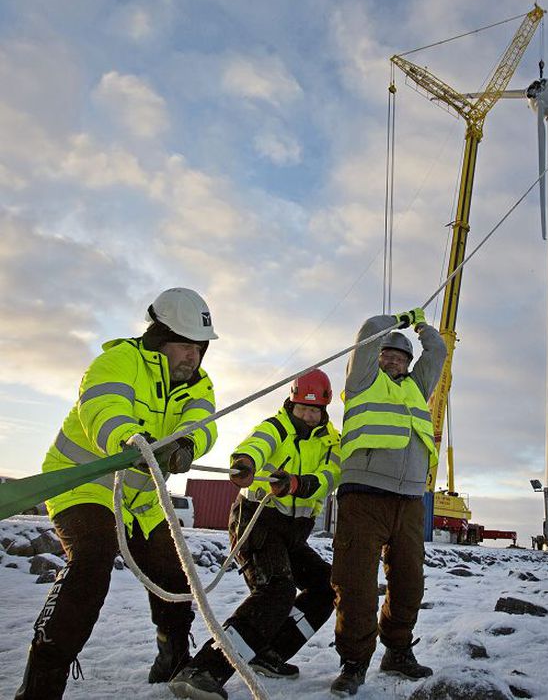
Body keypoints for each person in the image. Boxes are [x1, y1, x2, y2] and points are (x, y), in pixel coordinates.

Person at [15, 287, 220, 700]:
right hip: (82, 486)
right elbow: (102, 407)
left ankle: (172, 659)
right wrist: (129, 439)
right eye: (184, 347)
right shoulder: (118, 361)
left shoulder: (198, 383)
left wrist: (188, 446)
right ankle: (41, 682)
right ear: (160, 339)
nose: (192, 357)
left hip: (140, 502)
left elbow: (204, 420)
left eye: (198, 349)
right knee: (92, 560)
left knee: (173, 574)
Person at [169, 368, 341, 700]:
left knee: (325, 586)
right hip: (258, 524)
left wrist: (299, 483)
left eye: (314, 410)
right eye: (302, 408)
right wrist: (245, 462)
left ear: (324, 410)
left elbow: (330, 475)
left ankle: (268, 652)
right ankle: (202, 670)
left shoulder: (332, 441)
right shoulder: (276, 427)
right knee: (277, 591)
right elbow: (256, 445)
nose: (307, 415)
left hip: (292, 534)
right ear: (291, 404)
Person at [330, 308, 447, 696]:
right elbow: (367, 330)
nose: (394, 358)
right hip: (364, 496)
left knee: (410, 581)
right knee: (357, 583)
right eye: (388, 353)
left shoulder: (418, 387)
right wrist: (400, 319)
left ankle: (397, 651)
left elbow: (438, 351)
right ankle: (354, 662)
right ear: (376, 356)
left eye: (401, 355)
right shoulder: (362, 380)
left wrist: (422, 328)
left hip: (411, 499)